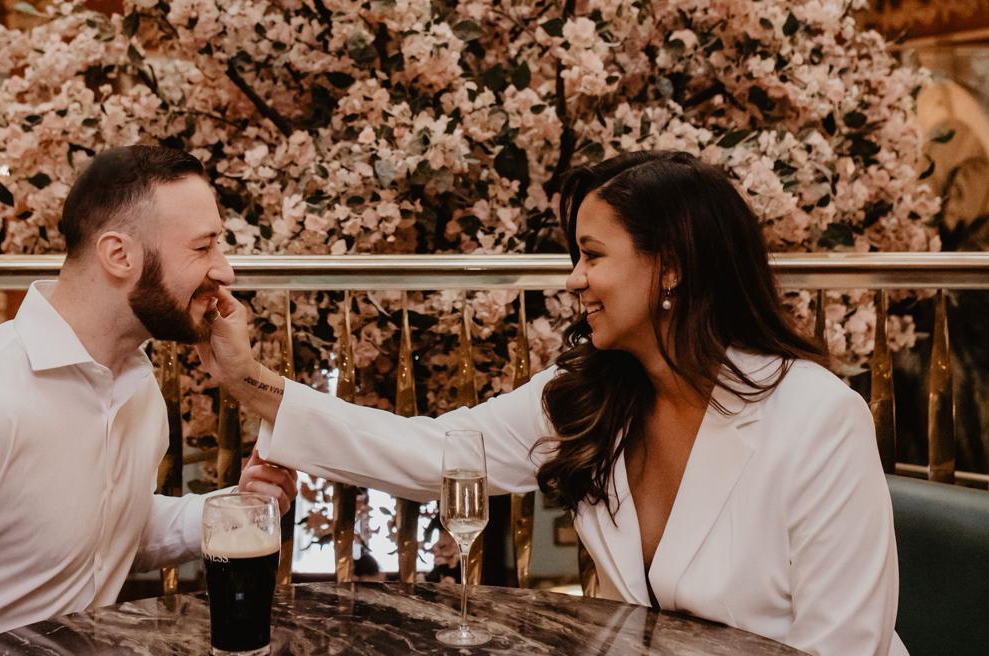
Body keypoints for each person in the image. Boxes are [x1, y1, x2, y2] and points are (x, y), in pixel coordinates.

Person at [203, 151, 906, 656]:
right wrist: (247, 379)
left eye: (592, 255)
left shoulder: (818, 419)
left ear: (672, 266)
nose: (574, 280)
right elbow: (441, 455)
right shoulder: (590, 396)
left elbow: (841, 646)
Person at [0, 145, 297, 656]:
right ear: (119, 254)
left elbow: (101, 527)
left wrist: (231, 512)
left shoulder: (134, 385)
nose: (224, 272)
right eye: (203, 248)